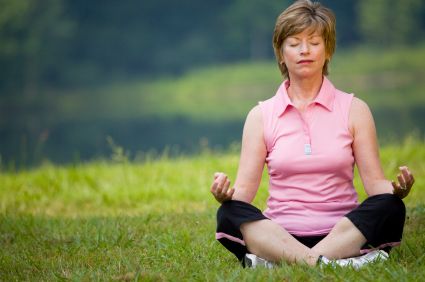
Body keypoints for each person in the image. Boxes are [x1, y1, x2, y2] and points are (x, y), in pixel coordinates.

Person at [210, 0, 415, 269]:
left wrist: (396, 190)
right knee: (229, 213)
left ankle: (283, 262)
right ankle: (328, 263)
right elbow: (244, 193)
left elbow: (375, 185)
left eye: (314, 42)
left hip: (342, 233)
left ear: (327, 50)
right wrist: (225, 195)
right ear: (281, 53)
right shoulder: (261, 116)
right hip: (280, 235)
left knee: (390, 207)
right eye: (294, 43)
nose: (304, 50)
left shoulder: (355, 110)